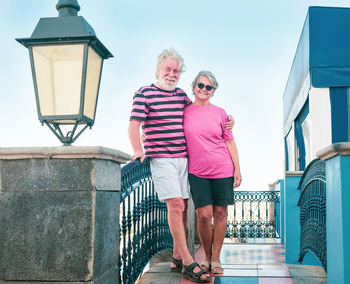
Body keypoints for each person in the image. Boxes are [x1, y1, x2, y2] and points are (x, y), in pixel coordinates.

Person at [128, 49, 233, 282]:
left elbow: (198, 111)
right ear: (158, 69)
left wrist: (229, 120)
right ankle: (187, 261)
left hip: (184, 158)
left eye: (176, 70)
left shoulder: (181, 96)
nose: (172, 73)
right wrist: (138, 149)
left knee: (183, 207)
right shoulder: (144, 93)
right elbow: (134, 125)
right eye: (168, 69)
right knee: (175, 205)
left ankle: (176, 255)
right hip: (161, 158)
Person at [183, 70, 242, 275]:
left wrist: (237, 168)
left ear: (213, 91)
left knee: (220, 213)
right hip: (197, 171)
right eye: (201, 85)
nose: (204, 90)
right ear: (194, 87)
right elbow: (167, 123)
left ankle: (215, 259)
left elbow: (229, 141)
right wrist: (148, 134)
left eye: (209, 87)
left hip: (222, 168)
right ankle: (206, 256)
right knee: (203, 216)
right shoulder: (185, 111)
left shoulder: (220, 113)